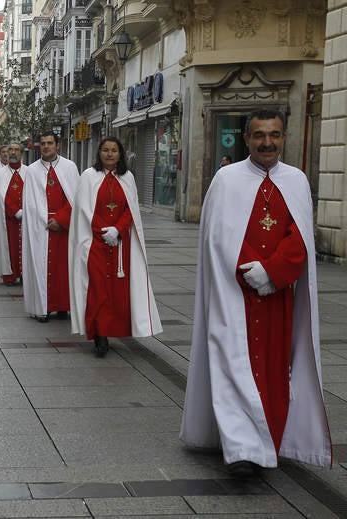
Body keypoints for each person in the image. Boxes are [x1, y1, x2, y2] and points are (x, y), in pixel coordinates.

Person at [180, 110, 331, 477]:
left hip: (277, 299)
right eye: (260, 135)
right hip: (236, 297)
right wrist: (249, 270)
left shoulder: (295, 181)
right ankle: (243, 449)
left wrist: (273, 272)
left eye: (275, 135)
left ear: (284, 137)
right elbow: (218, 239)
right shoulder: (226, 180)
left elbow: (300, 240)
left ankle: (269, 440)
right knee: (233, 365)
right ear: (247, 138)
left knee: (275, 370)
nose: (268, 142)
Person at [68, 137, 162, 357]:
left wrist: (117, 230)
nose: (109, 154)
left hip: (121, 245)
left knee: (117, 293)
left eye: (114, 151)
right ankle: (100, 334)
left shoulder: (127, 177)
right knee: (98, 288)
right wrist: (103, 231)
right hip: (94, 244)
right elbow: (83, 210)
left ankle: (113, 329)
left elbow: (132, 209)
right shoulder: (88, 177)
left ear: (120, 154)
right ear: (99, 153)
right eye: (105, 150)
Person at [22, 132, 79, 323]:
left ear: (57, 145)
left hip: (64, 228)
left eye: (50, 143)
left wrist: (61, 220)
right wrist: (43, 220)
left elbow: (76, 199)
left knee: (63, 268)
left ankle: (63, 306)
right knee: (41, 266)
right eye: (43, 143)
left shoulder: (70, 168)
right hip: (41, 227)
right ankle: (42, 307)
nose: (46, 146)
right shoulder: (31, 170)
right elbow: (29, 202)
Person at [0, 143, 26, 286]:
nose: (13, 152)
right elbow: (0, 195)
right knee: (10, 248)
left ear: (21, 153)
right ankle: (10, 275)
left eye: (16, 150)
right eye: (11, 150)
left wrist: (26, 211)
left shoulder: (29, 172)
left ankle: (25, 275)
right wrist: (15, 211)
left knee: (26, 249)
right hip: (8, 220)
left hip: (27, 220)